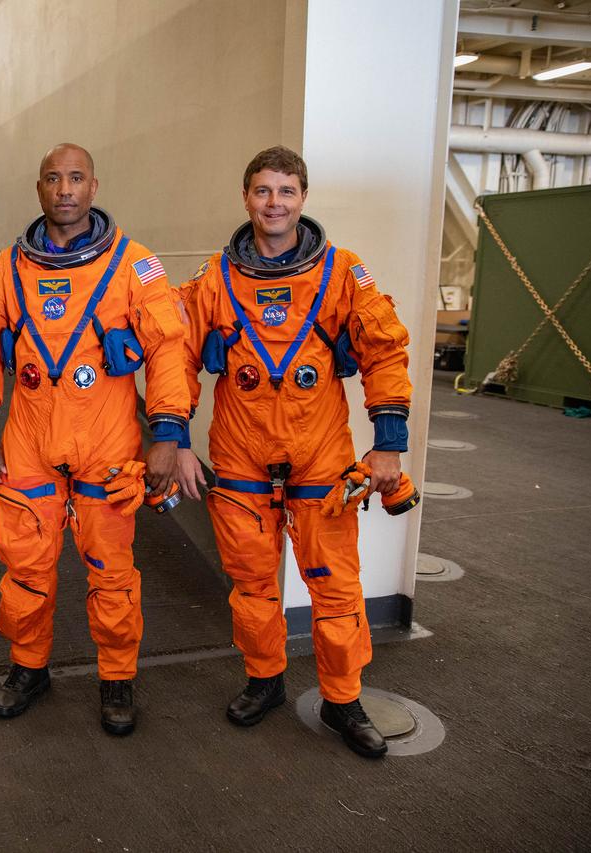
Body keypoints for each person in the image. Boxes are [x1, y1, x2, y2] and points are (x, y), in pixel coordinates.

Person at [176, 145, 413, 759]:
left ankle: (343, 699)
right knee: (253, 585)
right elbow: (174, 355)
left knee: (334, 588)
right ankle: (264, 680)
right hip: (240, 457)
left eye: (286, 191)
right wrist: (173, 437)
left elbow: (384, 350)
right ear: (246, 198)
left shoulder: (341, 272)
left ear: (303, 197)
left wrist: (388, 446)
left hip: (320, 458)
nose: (274, 203)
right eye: (262, 191)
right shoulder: (215, 279)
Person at [0, 143, 189, 736]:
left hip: (108, 443)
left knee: (112, 573)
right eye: (52, 179)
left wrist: (166, 433)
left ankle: (116, 678)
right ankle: (28, 667)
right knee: (25, 568)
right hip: (28, 441)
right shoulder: (9, 268)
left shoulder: (134, 264)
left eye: (75, 178)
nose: (64, 189)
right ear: (39, 189)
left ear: (94, 187)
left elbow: (168, 351)